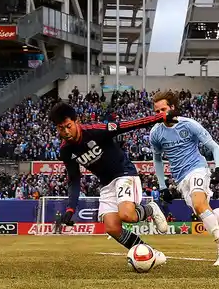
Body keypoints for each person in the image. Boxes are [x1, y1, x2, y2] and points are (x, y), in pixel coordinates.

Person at [50, 101, 169, 266]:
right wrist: (70, 209)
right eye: (61, 128)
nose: (66, 131)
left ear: (76, 121)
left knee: (127, 215)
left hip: (124, 173)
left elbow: (128, 125)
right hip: (106, 184)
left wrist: (160, 117)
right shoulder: (65, 150)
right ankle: (150, 253)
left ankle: (151, 208)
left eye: (68, 126)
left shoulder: (95, 131)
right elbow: (74, 180)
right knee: (112, 228)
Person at [150, 90, 219, 266]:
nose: (159, 114)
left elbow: (214, 147)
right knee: (205, 214)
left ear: (172, 108)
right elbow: (157, 159)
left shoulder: (189, 125)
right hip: (180, 179)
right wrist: (163, 186)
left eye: (163, 109)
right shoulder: (156, 133)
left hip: (198, 169)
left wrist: (218, 169)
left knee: (199, 204)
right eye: (156, 111)